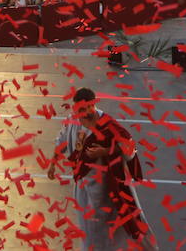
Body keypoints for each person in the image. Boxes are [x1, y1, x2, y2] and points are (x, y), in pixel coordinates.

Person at [48, 87, 157, 251]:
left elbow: (130, 147)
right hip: (82, 187)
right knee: (87, 229)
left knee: (111, 230)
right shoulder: (72, 121)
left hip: (105, 189)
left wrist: (105, 151)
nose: (86, 112)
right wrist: (52, 163)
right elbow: (61, 141)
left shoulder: (107, 123)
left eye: (89, 107)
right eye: (82, 109)